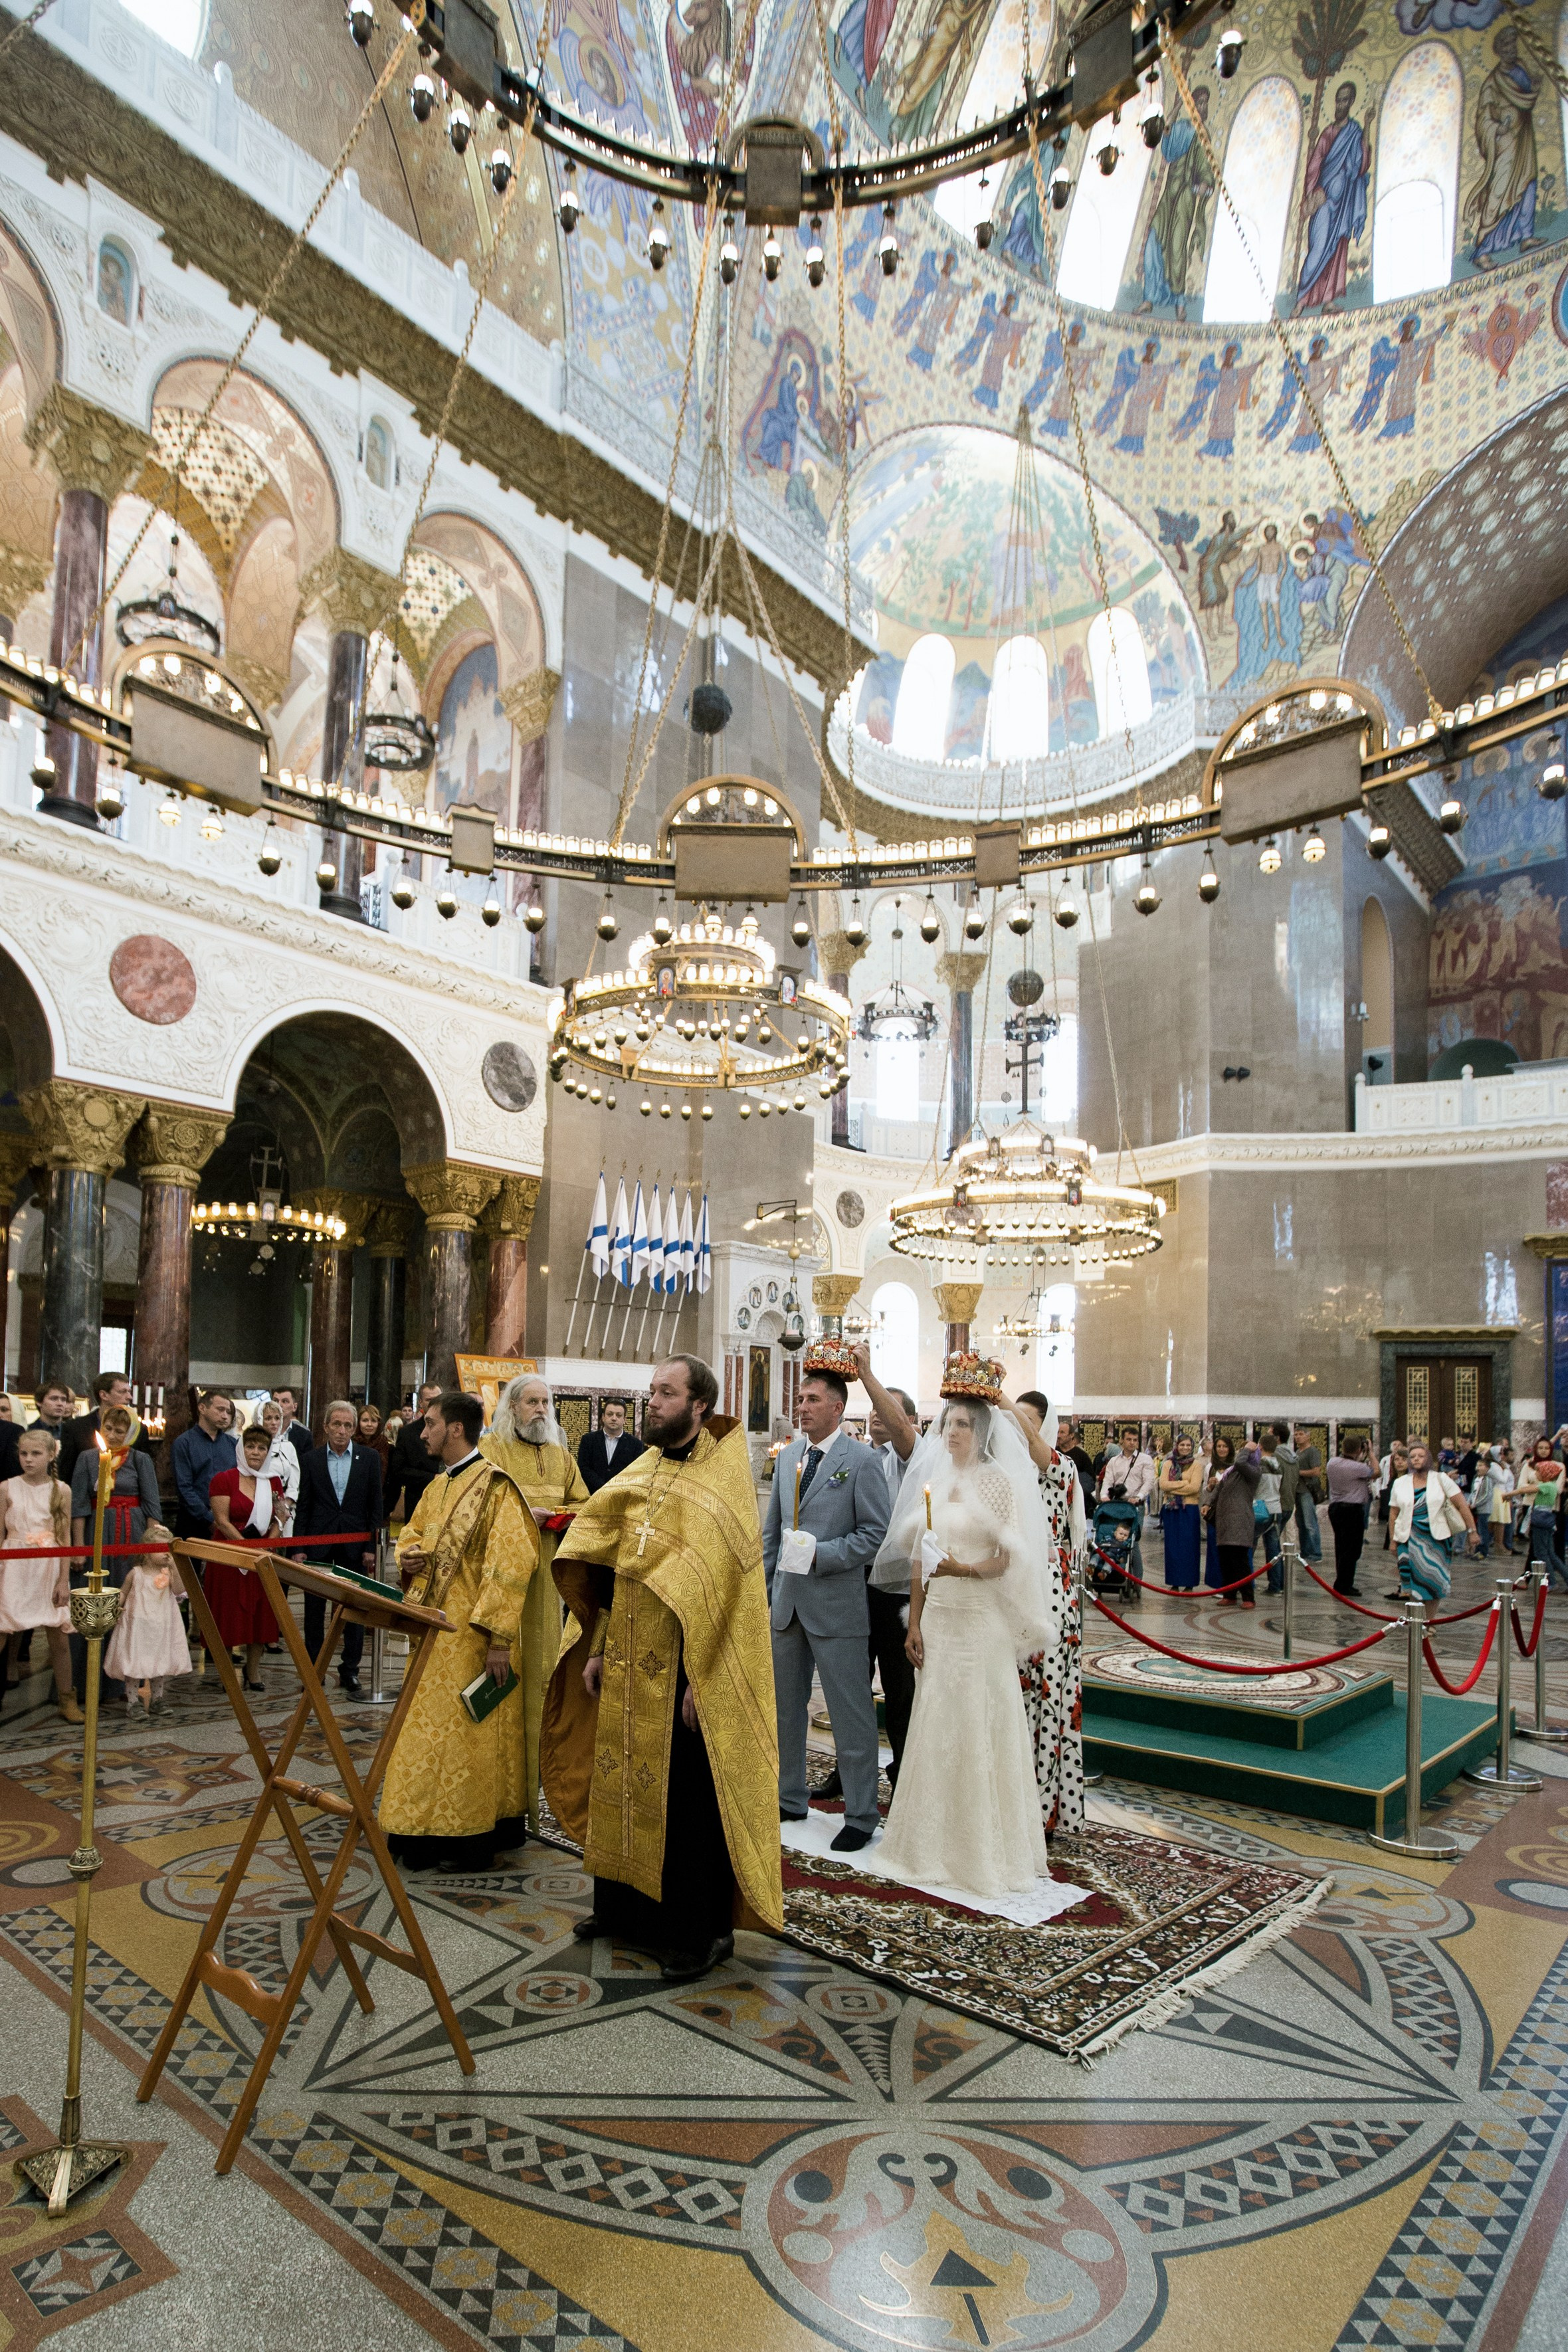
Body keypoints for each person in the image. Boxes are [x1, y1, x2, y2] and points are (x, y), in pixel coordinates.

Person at [542, 1354, 782, 1982]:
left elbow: (732, 1597)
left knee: (686, 1803)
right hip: (624, 1654)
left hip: (685, 1669)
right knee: (619, 1779)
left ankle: (699, 1933)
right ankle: (621, 1910)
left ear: (699, 1405)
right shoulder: (642, 1467)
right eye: (651, 1391)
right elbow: (611, 1563)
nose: (652, 1402)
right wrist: (594, 1644)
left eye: (666, 1393)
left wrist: (708, 1683)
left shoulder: (724, 1483)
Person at [870, 1359, 1060, 1901]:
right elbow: (918, 1556)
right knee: (936, 1724)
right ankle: (925, 1844)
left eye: (960, 1425)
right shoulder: (935, 1482)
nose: (950, 1433)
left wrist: (964, 1571)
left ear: (979, 1432)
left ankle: (980, 1849)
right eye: (946, 1423)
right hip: (941, 1620)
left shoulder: (997, 1484)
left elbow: (1008, 1559)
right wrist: (916, 1618)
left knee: (978, 1726)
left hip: (980, 1622)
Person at [383, 1390, 541, 1872]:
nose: (422, 1432)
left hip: (470, 1638)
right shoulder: (437, 1486)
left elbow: (512, 1563)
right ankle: (423, 1831)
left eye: (429, 1424)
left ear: (455, 1429)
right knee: (424, 1739)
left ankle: (467, 1839)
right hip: (430, 1631)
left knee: (465, 1740)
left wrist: (498, 1639)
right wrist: (404, 1555)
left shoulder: (496, 1487)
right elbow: (412, 1533)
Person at [762, 1347, 892, 1852]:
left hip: (837, 1605)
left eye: (813, 1399)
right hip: (788, 1604)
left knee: (851, 1713)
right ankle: (790, 1796)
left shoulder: (859, 1461)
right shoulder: (790, 1455)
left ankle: (861, 1813)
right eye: (800, 1398)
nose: (803, 1407)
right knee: (786, 1710)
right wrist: (770, 1590)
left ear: (837, 1408)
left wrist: (822, 1554)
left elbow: (875, 1534)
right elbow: (773, 1532)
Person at [801, 1341, 920, 1798]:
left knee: (898, 1686)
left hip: (893, 1589)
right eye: (872, 1411)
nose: (876, 1417)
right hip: (852, 1582)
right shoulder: (850, 1457)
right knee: (849, 1684)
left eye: (887, 1411)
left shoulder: (912, 1458)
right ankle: (849, 1771)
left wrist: (867, 1377)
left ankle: (905, 1771)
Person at [482, 1375, 589, 1827]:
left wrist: (566, 1517)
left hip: (547, 1580)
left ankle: (540, 1782)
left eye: (546, 1402)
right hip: (501, 1580)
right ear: (512, 1408)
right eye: (532, 1402)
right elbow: (482, 1504)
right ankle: (502, 1792)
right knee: (503, 1680)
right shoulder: (495, 1451)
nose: (541, 1410)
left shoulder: (562, 1457)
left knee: (543, 1677)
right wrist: (529, 1513)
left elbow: (584, 1504)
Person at [1008, 1388, 1086, 1836]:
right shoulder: (1005, 1471)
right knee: (1014, 1699)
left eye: (1026, 1420)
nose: (1016, 1427)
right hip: (1013, 1590)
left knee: (1048, 1699)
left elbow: (1042, 1456)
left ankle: (1045, 1809)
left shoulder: (1061, 1467)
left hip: (1051, 1597)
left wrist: (1001, 1401)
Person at [294, 1399, 383, 1694]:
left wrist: (371, 1545)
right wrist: (299, 1546)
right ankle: (314, 1669)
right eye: (337, 1424)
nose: (342, 1431)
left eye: (348, 1425)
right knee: (314, 1611)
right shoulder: (311, 1460)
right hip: (318, 1544)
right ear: (326, 1427)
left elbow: (375, 1506)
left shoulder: (369, 1459)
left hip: (355, 1547)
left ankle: (350, 1670)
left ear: (354, 1428)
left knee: (354, 1610)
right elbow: (304, 1506)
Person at [0, 1423, 78, 1721]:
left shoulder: (61, 1490)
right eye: (23, 1453)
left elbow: (64, 1536)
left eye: (35, 1453)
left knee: (58, 1635)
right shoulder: (7, 1487)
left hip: (47, 1565)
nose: (28, 1459)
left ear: (50, 1455)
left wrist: (63, 1579)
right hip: (14, 1565)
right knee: (4, 1627)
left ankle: (66, 1698)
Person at [208, 1422, 288, 1691]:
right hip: (231, 1556)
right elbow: (221, 1521)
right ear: (241, 1449)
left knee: (261, 1614)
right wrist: (246, 1548)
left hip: (263, 1557)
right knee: (229, 1615)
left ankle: (253, 1671)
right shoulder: (224, 1479)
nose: (256, 1452)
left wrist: (269, 1545)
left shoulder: (274, 1481)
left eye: (262, 1448)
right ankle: (225, 1673)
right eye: (251, 1446)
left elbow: (280, 1517)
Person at [104, 1519, 191, 1718]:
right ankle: (133, 1702)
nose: (165, 1553)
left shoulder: (168, 1573)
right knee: (136, 1662)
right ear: (145, 1551)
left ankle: (158, 1699)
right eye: (160, 1549)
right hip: (138, 1627)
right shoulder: (136, 1574)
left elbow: (179, 1589)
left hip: (161, 1625)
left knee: (159, 1662)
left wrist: (175, 1566)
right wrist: (113, 1608)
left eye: (168, 1549)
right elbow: (123, 1594)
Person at [1390, 1440, 1478, 1605]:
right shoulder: (1400, 1483)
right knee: (1409, 1584)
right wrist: (1392, 1541)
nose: (1416, 1459)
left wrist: (1472, 1531)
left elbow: (1462, 1505)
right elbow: (1393, 1514)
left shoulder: (1441, 1479)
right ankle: (1417, 1622)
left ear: (1428, 1459)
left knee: (1432, 1583)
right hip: (1407, 1538)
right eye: (1413, 1456)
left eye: (1421, 1456)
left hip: (1435, 1539)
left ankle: (1428, 1623)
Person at [68, 1403, 161, 1549]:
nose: (111, 1436)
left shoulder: (140, 1459)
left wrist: (151, 1545)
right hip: (96, 1527)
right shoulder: (87, 1458)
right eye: (108, 1428)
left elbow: (152, 1506)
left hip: (132, 1528)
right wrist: (79, 1545)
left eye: (119, 1432)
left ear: (130, 1434)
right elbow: (79, 1504)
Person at [58, 1371, 156, 1489]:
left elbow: (145, 1473)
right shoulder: (75, 1428)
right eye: (122, 1392)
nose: (129, 1397)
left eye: (129, 1392)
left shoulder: (139, 1430)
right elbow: (66, 1475)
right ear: (104, 1395)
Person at [171, 1389, 238, 1540]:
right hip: (192, 1521)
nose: (225, 1416)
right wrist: (210, 1519)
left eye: (228, 1412)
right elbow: (184, 1488)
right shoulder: (184, 1443)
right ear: (202, 1408)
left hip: (228, 1521)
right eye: (220, 1410)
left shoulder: (233, 1444)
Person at [1205, 1438, 1263, 1603]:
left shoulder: (1253, 1472)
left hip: (1239, 1521)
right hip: (1224, 1521)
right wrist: (1208, 1503)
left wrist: (1247, 1449)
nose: (1241, 1453)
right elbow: (1219, 1488)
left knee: (1240, 1562)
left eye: (1244, 1452)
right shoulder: (1231, 1472)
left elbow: (1241, 1462)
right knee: (1226, 1561)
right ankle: (1229, 1595)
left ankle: (1248, 1597)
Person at [1097, 1427, 1156, 1582]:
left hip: (1135, 1505)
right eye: (1129, 1439)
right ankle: (1110, 1574)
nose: (1132, 1443)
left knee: (1132, 1541)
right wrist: (1104, 1496)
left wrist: (1139, 1496)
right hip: (1117, 1505)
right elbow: (1108, 1481)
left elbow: (1149, 1481)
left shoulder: (1145, 1460)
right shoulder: (1114, 1461)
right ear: (1122, 1440)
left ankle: (1137, 1580)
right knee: (1112, 1538)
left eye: (1135, 1440)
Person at [385, 1381, 444, 1524]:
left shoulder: (454, 1429)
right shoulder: (407, 1434)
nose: (434, 1403)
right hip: (418, 1503)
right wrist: (432, 1477)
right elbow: (399, 1471)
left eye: (438, 1398)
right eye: (429, 1400)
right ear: (421, 1403)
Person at [1325, 1435, 1376, 1596]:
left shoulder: (1332, 1462)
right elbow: (1377, 1472)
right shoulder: (1358, 1468)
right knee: (1352, 1549)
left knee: (1341, 1546)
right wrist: (1372, 1453)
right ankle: (1343, 1585)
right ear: (1359, 1450)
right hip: (1352, 1510)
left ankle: (1344, 1581)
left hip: (1336, 1508)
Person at [1516, 1437, 1568, 1592]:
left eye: (1547, 1448)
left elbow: (1558, 1489)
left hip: (1551, 1509)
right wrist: (1542, 1486)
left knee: (1552, 1547)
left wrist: (1536, 1486)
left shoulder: (1558, 1466)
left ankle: (1552, 1579)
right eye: (1541, 1448)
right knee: (1536, 1547)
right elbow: (1521, 1485)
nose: (1544, 1451)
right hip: (1531, 1507)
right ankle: (1530, 1577)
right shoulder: (1530, 1465)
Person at [1159, 1433, 1204, 1589]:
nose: (1185, 1448)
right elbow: (1163, 1485)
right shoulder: (1168, 1464)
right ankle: (1175, 1582)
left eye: (1188, 1445)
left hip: (1189, 1510)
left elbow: (1195, 1488)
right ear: (1177, 1446)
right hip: (1171, 1510)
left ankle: (1189, 1583)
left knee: (1189, 1548)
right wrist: (1184, 1483)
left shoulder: (1197, 1465)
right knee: (1173, 1548)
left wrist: (1175, 1485)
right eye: (1182, 1445)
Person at [576, 1398, 646, 1495]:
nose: (614, 1418)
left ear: (625, 1419)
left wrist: (614, 1490)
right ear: (603, 1417)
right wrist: (603, 1488)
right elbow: (583, 1468)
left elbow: (635, 1473)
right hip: (591, 1495)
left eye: (619, 1415)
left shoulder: (636, 1445)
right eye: (610, 1414)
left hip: (620, 1497)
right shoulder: (588, 1440)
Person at [255, 1399, 300, 1525]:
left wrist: (284, 1505)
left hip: (285, 1507)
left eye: (277, 1418)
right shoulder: (250, 1446)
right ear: (259, 1419)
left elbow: (294, 1483)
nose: (274, 1423)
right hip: (257, 1506)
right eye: (268, 1418)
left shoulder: (288, 1447)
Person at [1292, 1423, 1325, 1564]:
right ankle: (1305, 1552)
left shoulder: (1312, 1451)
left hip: (1307, 1491)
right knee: (1301, 1523)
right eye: (1296, 1434)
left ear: (1308, 1436)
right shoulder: (1298, 1452)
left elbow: (1316, 1471)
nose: (1298, 1437)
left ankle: (1315, 1553)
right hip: (1297, 1491)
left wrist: (1297, 1472)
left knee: (1310, 1523)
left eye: (1301, 1434)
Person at [268, 1387, 314, 1473]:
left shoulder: (304, 1436)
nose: (279, 1405)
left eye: (285, 1401)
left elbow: (307, 1468)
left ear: (294, 1407)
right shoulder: (262, 1432)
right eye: (275, 1401)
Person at [356, 1402, 390, 1472]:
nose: (369, 1424)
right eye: (365, 1420)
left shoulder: (384, 1444)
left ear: (378, 1423)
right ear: (358, 1422)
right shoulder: (351, 1443)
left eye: (374, 1421)